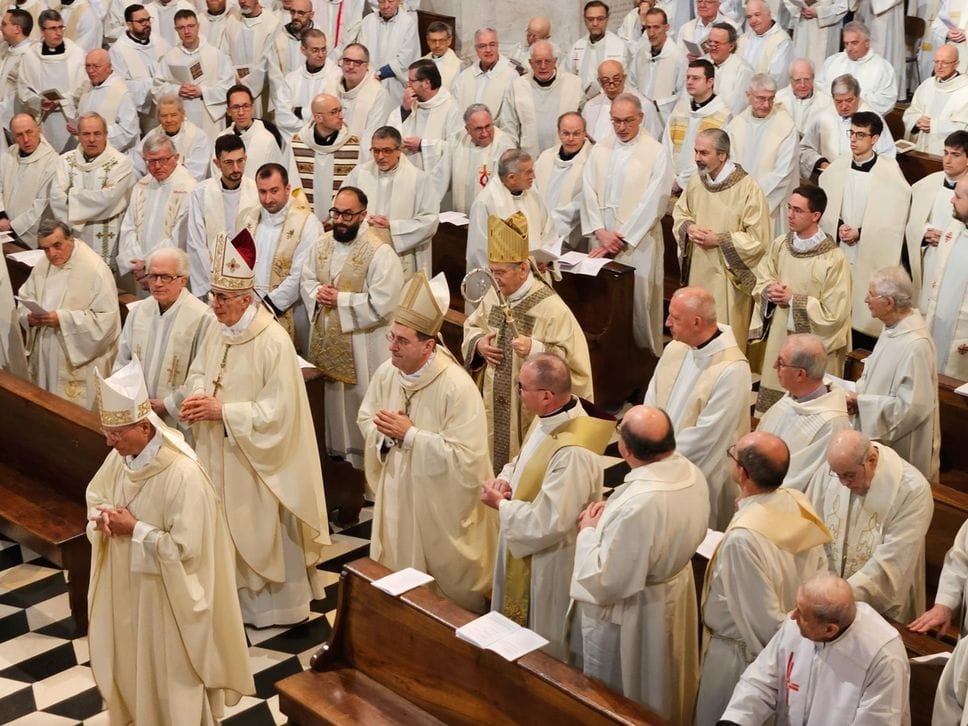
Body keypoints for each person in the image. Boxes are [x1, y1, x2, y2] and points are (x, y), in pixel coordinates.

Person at [85, 358, 254, 725]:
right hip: (128, 590)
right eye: (106, 433)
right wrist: (102, 518)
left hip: (167, 599)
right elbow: (96, 496)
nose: (109, 443)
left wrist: (135, 529)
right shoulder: (119, 460)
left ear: (145, 427)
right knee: (133, 660)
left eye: (116, 434)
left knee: (169, 669)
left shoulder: (183, 474)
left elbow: (186, 551)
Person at [180, 229, 330, 627]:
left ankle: (274, 608)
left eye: (222, 298)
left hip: (257, 462)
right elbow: (198, 372)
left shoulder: (273, 341)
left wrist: (225, 412)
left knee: (261, 528)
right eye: (212, 296)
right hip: (218, 451)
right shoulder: (216, 329)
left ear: (246, 299)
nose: (214, 305)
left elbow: (280, 413)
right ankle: (229, 601)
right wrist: (196, 396)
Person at [358, 271, 497, 613]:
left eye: (402, 341)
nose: (392, 347)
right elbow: (367, 418)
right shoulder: (388, 372)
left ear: (428, 345)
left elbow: (468, 459)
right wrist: (384, 436)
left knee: (440, 598)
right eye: (391, 337)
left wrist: (411, 436)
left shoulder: (456, 387)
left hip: (439, 507)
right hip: (397, 491)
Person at [571, 405, 709, 725]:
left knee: (632, 688)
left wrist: (588, 532)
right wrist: (614, 509)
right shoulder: (691, 472)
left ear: (625, 449)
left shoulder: (640, 503)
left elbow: (605, 581)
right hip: (674, 591)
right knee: (666, 677)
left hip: (637, 610)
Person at [481, 352, 611, 661]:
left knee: (543, 642)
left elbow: (551, 520)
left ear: (546, 396)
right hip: (526, 540)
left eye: (522, 387)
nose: (518, 392)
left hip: (550, 559)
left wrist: (501, 506)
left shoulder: (574, 450)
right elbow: (522, 461)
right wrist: (505, 480)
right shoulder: (549, 419)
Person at [695, 431, 830, 726]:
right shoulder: (797, 502)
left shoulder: (743, 539)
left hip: (741, 657)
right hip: (792, 637)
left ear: (742, 473)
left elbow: (762, 621)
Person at [462, 212, 593, 473]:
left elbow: (575, 363)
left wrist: (537, 349)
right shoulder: (496, 294)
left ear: (523, 269)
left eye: (500, 272)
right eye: (492, 271)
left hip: (528, 410)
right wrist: (479, 344)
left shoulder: (552, 308)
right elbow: (473, 326)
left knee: (525, 472)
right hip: (493, 400)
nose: (494, 279)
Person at [300, 186, 403, 468]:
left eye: (348, 214)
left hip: (362, 348)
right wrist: (318, 293)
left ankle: (361, 468)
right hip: (325, 340)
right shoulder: (322, 244)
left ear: (363, 215)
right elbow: (307, 279)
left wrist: (341, 300)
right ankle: (332, 462)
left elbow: (384, 302)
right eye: (336, 213)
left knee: (360, 405)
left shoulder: (380, 253)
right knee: (329, 404)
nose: (340, 220)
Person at [719, 574, 910, 725]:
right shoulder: (796, 626)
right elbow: (762, 681)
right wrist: (735, 720)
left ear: (830, 629)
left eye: (802, 614)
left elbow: (878, 720)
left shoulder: (883, 657)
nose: (792, 616)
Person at [644, 286, 751, 529]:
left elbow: (708, 436)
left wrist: (659, 460)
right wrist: (646, 440)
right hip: (658, 459)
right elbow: (652, 397)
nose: (667, 322)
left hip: (702, 471)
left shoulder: (732, 369)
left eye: (675, 318)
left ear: (696, 322)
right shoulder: (676, 347)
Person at [807, 430, 934, 623]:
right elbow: (811, 528)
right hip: (824, 597)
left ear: (872, 460)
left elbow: (894, 560)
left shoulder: (912, 490)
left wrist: (836, 598)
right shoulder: (832, 470)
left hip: (878, 608)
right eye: (838, 475)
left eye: (849, 475)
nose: (843, 483)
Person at [581, 93, 672, 356]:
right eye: (616, 121)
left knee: (638, 302)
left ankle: (640, 358)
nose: (621, 127)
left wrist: (620, 238)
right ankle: (606, 355)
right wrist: (600, 231)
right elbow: (588, 191)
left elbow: (654, 201)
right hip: (601, 237)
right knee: (603, 299)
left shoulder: (656, 152)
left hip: (637, 243)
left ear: (641, 118)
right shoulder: (601, 148)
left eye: (628, 120)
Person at [749, 185, 851, 414]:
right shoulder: (781, 244)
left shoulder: (834, 259)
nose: (789, 215)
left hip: (814, 348)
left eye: (797, 210)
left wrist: (793, 300)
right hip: (780, 336)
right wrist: (769, 290)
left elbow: (835, 314)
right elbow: (764, 276)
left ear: (816, 215)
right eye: (789, 208)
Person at [672, 127, 769, 351]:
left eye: (704, 153)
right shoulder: (697, 181)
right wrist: (689, 227)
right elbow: (681, 213)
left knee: (722, 336)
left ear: (722, 155)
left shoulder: (748, 188)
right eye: (696, 151)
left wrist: (719, 240)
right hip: (698, 270)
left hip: (728, 278)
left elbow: (758, 239)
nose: (697, 158)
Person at [818, 111, 911, 338]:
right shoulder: (839, 166)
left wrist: (861, 232)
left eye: (860, 135)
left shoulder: (889, 171)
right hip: (840, 245)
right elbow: (826, 204)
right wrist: (838, 226)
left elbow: (894, 217)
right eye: (851, 133)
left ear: (875, 139)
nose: (853, 139)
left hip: (867, 249)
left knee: (861, 306)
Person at [848, 267, 940, 481]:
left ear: (889, 302)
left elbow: (913, 409)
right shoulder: (892, 329)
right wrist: (856, 397)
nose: (866, 300)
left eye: (871, 295)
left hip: (901, 445)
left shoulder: (916, 345)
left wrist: (862, 403)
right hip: (876, 436)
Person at [16, 219, 120, 408]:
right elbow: (25, 296)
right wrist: (28, 317)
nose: (52, 254)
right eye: (45, 249)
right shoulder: (44, 264)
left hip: (77, 356)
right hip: (46, 352)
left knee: (70, 413)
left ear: (71, 239)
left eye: (57, 245)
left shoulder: (95, 269)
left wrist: (62, 319)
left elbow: (107, 321)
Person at [113, 247, 214, 433]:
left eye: (166, 277)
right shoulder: (138, 312)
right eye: (153, 276)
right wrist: (133, 397)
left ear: (183, 280)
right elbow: (123, 361)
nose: (158, 283)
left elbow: (203, 373)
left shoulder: (202, 318)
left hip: (177, 419)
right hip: (139, 412)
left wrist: (168, 404)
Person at [755, 333, 851, 491]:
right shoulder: (793, 397)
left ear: (800, 374)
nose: (774, 366)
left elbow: (799, 480)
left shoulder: (830, 423)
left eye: (781, 363)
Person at [342, 125, 438, 280]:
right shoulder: (359, 174)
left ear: (399, 150)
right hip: (363, 250)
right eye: (376, 150)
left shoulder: (419, 179)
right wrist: (362, 221)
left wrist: (392, 226)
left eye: (387, 151)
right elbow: (342, 207)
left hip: (401, 254)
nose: (380, 156)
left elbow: (430, 221)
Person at [48, 112, 135, 272]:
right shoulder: (65, 160)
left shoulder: (121, 163)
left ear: (106, 135)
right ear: (78, 135)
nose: (92, 139)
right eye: (86, 134)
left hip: (107, 236)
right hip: (73, 236)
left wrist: (71, 195)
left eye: (97, 133)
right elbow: (56, 197)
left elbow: (108, 200)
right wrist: (95, 198)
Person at [250, 162, 320, 345]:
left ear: (288, 189)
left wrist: (268, 305)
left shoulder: (307, 223)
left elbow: (302, 274)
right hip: (250, 310)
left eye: (274, 191)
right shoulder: (249, 218)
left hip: (288, 310)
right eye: (262, 192)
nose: (268, 199)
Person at [118, 133, 197, 288]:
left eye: (163, 160)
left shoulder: (189, 188)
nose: (157, 166)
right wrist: (136, 265)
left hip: (171, 272)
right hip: (141, 272)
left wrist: (148, 266)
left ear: (176, 157)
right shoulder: (142, 186)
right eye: (151, 161)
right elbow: (129, 227)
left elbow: (179, 237)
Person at [185, 134, 260, 297]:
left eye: (240, 161)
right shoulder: (201, 193)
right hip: (213, 283)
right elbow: (196, 242)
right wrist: (213, 284)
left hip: (249, 280)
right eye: (228, 162)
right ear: (217, 163)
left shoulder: (257, 191)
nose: (236, 168)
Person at [725, 74, 798, 236]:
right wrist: (740, 198)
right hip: (738, 203)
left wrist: (753, 199)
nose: (766, 105)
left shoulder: (786, 127)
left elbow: (783, 173)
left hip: (770, 207)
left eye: (771, 99)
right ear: (748, 96)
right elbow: (729, 164)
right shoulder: (736, 124)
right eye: (761, 98)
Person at [466, 148, 557, 277]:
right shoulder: (485, 203)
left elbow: (548, 232)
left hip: (536, 275)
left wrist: (546, 260)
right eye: (528, 172)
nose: (533, 176)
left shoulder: (534, 196)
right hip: (504, 281)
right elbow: (479, 252)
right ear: (512, 178)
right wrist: (510, 275)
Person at [905, 131, 968, 307]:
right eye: (945, 153)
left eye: (955, 155)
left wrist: (948, 239)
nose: (947, 160)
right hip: (928, 256)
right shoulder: (925, 184)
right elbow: (912, 222)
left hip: (957, 261)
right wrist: (925, 232)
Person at [153, 9, 234, 138]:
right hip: (181, 117)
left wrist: (202, 91)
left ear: (198, 26)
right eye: (181, 28)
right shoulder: (169, 57)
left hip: (209, 117)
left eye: (191, 26)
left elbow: (229, 87)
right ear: (176, 30)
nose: (187, 31)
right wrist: (177, 90)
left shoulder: (215, 54)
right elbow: (157, 88)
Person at [799, 73, 896, 181]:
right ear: (833, 98)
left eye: (849, 100)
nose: (844, 106)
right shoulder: (823, 117)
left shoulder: (873, 119)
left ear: (858, 96)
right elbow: (805, 149)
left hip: (863, 180)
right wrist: (822, 163)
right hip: (829, 178)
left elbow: (888, 156)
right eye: (839, 101)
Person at [17, 9, 86, 152]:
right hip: (43, 119)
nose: (59, 32)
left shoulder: (76, 53)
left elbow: (84, 86)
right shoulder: (31, 56)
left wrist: (62, 100)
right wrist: (39, 101)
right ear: (42, 31)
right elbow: (23, 88)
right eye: (53, 28)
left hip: (69, 117)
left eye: (61, 27)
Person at [502, 40, 583, 160]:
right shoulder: (517, 86)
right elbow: (509, 128)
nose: (543, 66)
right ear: (530, 63)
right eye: (538, 62)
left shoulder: (573, 84)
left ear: (555, 61)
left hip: (568, 158)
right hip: (529, 160)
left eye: (547, 61)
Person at [663, 60, 731, 193]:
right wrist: (671, 177)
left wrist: (681, 181)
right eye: (688, 77)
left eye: (695, 78)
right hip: (671, 183)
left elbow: (716, 157)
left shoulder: (723, 116)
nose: (689, 82)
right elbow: (666, 145)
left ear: (710, 82)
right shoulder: (680, 109)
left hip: (702, 187)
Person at [290, 92, 360, 220]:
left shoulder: (354, 145)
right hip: (306, 221)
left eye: (340, 110)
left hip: (342, 221)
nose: (341, 116)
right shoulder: (297, 144)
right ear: (318, 118)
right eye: (334, 112)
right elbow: (293, 184)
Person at [388, 58, 460, 175]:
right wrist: (404, 110)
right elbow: (389, 135)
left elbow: (456, 148)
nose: (408, 86)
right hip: (407, 176)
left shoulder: (452, 108)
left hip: (436, 179)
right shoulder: (410, 103)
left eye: (411, 81)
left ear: (426, 83)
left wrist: (422, 145)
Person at [215, 85, 298, 186]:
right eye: (236, 107)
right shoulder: (221, 138)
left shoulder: (267, 140)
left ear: (253, 108)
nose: (241, 112)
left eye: (245, 106)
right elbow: (216, 175)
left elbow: (276, 177)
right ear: (228, 111)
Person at [443, 103, 515, 215]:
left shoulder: (505, 147)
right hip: (461, 218)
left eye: (488, 126)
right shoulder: (458, 140)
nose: (485, 133)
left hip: (492, 217)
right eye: (478, 129)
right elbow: (441, 175)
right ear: (468, 129)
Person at [534, 112, 591, 250]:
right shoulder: (546, 157)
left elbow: (584, 201)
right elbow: (532, 190)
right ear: (558, 133)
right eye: (565, 133)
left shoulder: (592, 159)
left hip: (571, 236)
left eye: (576, 134)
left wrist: (551, 226)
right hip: (538, 229)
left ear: (584, 133)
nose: (570, 138)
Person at [0, 114, 59, 249]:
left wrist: (13, 227)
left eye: (29, 132)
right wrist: (1, 216)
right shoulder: (10, 154)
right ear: (13, 136)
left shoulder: (52, 161)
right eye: (19, 135)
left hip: (32, 236)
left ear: (39, 129)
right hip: (4, 231)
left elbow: (43, 204)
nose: (26, 139)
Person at [109, 3, 170, 132]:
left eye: (148, 19)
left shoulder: (159, 42)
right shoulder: (118, 50)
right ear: (129, 24)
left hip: (167, 106)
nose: (146, 24)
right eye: (141, 21)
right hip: (142, 112)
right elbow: (119, 86)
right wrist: (151, 85)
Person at [817, 21, 898, 116]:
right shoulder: (832, 61)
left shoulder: (882, 67)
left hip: (864, 120)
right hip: (832, 117)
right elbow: (819, 88)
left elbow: (887, 100)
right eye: (846, 43)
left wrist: (855, 101)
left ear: (867, 43)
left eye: (854, 43)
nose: (849, 48)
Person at [273, 28, 340, 139]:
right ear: (303, 50)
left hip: (326, 140)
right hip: (295, 140)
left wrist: (300, 112)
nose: (321, 55)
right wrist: (307, 133)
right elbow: (282, 117)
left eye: (323, 49)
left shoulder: (336, 76)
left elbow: (331, 114)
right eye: (315, 50)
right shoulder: (291, 79)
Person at [903, 45, 968, 155]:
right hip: (921, 146)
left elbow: (964, 128)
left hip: (948, 153)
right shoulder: (927, 85)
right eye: (936, 62)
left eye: (945, 62)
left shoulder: (965, 91)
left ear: (956, 64)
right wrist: (917, 120)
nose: (939, 66)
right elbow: (911, 112)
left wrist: (934, 126)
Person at [132, 94, 212, 182]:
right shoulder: (153, 135)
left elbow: (196, 174)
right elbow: (137, 166)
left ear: (183, 115)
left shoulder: (198, 137)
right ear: (158, 118)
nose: (169, 120)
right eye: (164, 116)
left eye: (173, 115)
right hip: (155, 184)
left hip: (185, 186)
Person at [336, 42, 394, 164]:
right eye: (347, 61)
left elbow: (373, 138)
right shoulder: (331, 86)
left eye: (357, 62)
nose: (350, 66)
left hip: (359, 161)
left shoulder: (378, 94)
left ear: (366, 66)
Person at [353, 0, 419, 107]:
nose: (386, 6)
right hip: (369, 80)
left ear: (398, 1)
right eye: (382, 2)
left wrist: (381, 73)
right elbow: (361, 52)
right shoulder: (368, 21)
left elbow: (407, 57)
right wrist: (370, 74)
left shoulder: (408, 23)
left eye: (390, 1)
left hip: (394, 84)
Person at [581, 58, 662, 143]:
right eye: (606, 81)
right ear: (599, 81)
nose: (612, 86)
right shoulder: (590, 106)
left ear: (624, 78)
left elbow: (653, 140)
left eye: (616, 80)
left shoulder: (644, 105)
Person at [75, 49, 140, 154]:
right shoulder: (88, 86)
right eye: (87, 66)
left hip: (114, 154)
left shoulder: (120, 91)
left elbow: (128, 130)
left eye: (96, 66)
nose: (90, 71)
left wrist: (95, 134)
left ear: (109, 67)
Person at [451, 28, 517, 128]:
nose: (488, 50)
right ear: (476, 49)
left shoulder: (511, 76)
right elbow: (455, 113)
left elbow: (510, 120)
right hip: (466, 134)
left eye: (492, 44)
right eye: (482, 46)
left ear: (498, 45)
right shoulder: (464, 77)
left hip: (497, 135)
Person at [222, 0, 280, 110]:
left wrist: (246, 85)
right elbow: (224, 54)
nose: (242, 1)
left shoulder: (271, 23)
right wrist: (232, 77)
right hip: (233, 84)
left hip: (262, 88)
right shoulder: (232, 20)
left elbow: (268, 60)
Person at [630, 7, 684, 125]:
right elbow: (631, 83)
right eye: (648, 27)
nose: (651, 33)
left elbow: (683, 93)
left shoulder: (678, 57)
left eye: (656, 27)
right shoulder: (641, 53)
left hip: (664, 119)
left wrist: (658, 104)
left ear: (666, 27)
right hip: (640, 116)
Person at [566, 1, 629, 98]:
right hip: (580, 101)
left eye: (600, 19)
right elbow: (568, 76)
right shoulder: (577, 46)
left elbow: (625, 80)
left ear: (607, 19)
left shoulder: (619, 46)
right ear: (584, 20)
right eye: (590, 19)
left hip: (610, 100)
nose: (595, 23)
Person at [738, 0, 792, 87]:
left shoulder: (782, 41)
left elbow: (778, 78)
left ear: (769, 15)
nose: (753, 20)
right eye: (749, 17)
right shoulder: (743, 39)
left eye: (757, 15)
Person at [775, 58, 834, 135]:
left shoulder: (826, 102)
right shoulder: (778, 99)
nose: (802, 85)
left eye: (806, 79)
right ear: (790, 80)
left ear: (813, 77)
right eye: (798, 80)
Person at [706, 22, 754, 116]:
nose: (712, 47)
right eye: (710, 42)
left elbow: (738, 109)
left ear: (731, 46)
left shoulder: (743, 70)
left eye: (717, 43)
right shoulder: (703, 63)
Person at [786, 0, 847, 70]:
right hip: (802, 27)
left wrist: (820, 13)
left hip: (824, 31)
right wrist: (798, 10)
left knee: (821, 68)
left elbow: (842, 7)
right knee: (801, 66)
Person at [0, 9, 33, 132]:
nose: (1, 28)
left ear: (17, 29)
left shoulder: (31, 54)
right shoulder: (6, 49)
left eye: (4, 24)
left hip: (16, 118)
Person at [422, 20, 460, 89]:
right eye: (433, 41)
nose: (437, 45)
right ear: (428, 40)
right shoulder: (420, 63)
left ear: (449, 40)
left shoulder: (459, 67)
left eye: (441, 40)